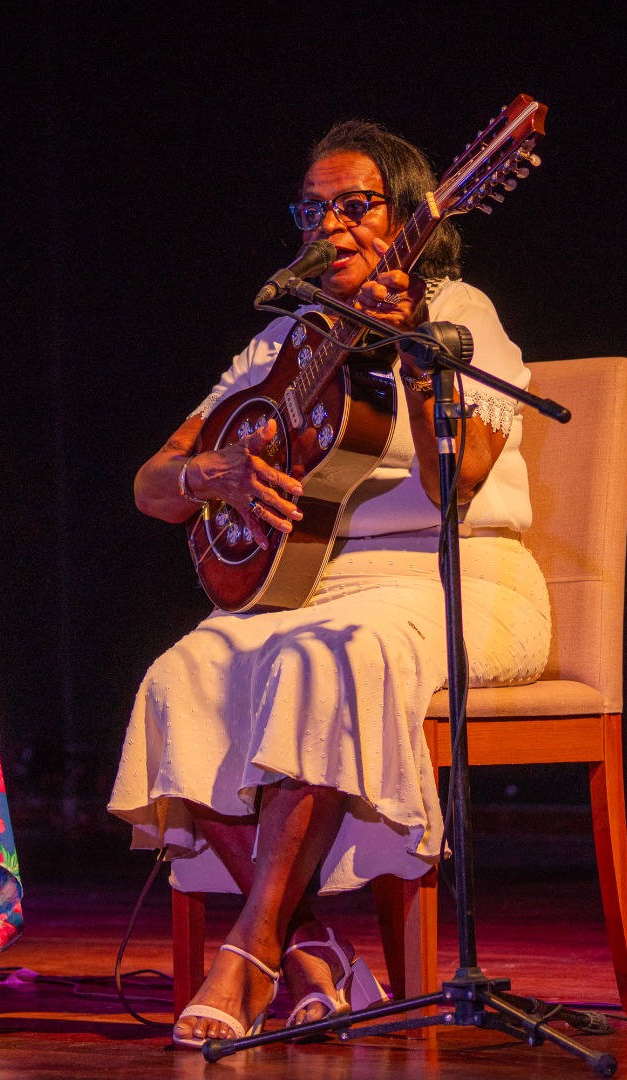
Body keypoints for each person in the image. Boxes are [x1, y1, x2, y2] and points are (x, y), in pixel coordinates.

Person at [108, 121, 552, 1047]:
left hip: (462, 579)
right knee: (179, 674)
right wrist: (210, 475)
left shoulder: (460, 307)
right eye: (312, 207)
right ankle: (314, 952)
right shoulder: (286, 336)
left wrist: (415, 341)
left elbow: (454, 482)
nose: (331, 225)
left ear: (411, 218)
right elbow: (151, 486)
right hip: (314, 589)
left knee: (327, 654)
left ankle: (251, 953)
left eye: (355, 205)